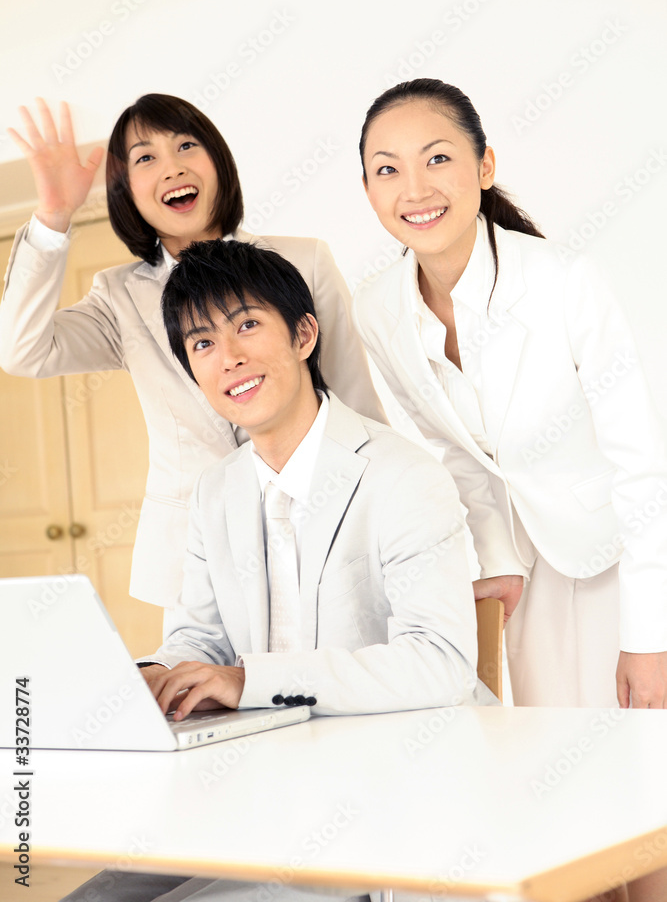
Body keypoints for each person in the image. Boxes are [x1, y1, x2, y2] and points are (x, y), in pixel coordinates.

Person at [62, 236, 487, 902]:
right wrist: (154, 677)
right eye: (202, 343)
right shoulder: (214, 491)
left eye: (247, 325)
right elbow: (197, 638)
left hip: (387, 791)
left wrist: (247, 681)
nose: (228, 357)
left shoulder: (403, 475)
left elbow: (439, 663)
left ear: (304, 335)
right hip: (255, 783)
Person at [352, 78, 667, 711]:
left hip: (624, 555)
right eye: (388, 169)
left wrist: (650, 637)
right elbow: (454, 449)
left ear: (485, 166)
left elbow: (643, 464)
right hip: (528, 568)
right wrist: (497, 557)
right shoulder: (378, 309)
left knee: (643, 750)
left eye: (437, 158)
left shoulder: (565, 282)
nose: (414, 189)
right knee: (553, 743)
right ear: (368, 190)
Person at [0, 95, 384, 609]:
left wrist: (386, 532)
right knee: (196, 665)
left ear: (217, 161)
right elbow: (22, 350)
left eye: (186, 145)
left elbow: (356, 406)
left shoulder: (303, 260)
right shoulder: (118, 296)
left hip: (317, 534)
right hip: (191, 557)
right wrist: (53, 217)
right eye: (145, 157)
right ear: (126, 190)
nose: (172, 167)